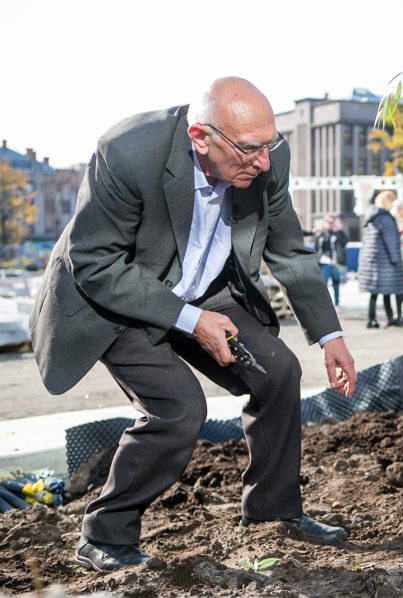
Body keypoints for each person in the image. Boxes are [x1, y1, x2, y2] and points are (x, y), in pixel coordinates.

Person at [28, 77, 357, 572]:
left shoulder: (267, 157)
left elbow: (288, 249)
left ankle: (272, 512)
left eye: (269, 146)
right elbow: (95, 263)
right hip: (120, 299)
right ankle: (105, 537)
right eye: (250, 149)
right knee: (178, 408)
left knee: (279, 371)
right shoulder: (127, 151)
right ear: (200, 137)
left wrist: (331, 336)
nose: (264, 162)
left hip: (204, 290)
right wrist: (189, 319)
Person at [358, 190, 403, 328]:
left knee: (375, 292)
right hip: (384, 261)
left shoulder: (370, 217)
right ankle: (390, 318)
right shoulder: (385, 218)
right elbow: (390, 241)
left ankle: (372, 319)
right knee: (386, 291)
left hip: (372, 261)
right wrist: (395, 259)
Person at [314, 214, 350, 309]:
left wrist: (338, 231)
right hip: (324, 261)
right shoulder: (322, 233)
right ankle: (324, 303)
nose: (330, 224)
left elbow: (345, 242)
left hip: (336, 262)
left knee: (336, 283)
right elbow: (317, 246)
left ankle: (337, 303)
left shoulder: (338, 233)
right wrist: (322, 232)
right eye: (328, 222)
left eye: (332, 222)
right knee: (323, 283)